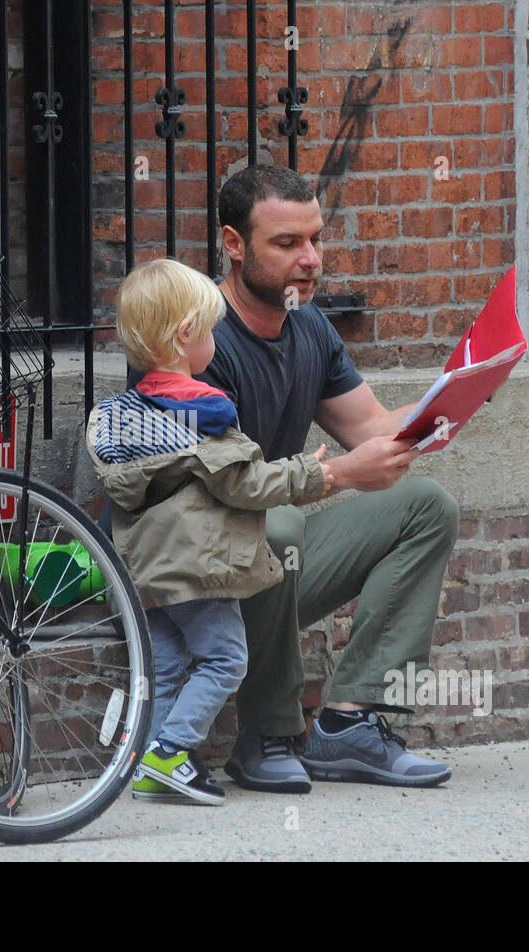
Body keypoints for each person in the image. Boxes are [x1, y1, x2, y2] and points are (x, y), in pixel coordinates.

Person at [197, 163, 460, 791]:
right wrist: (339, 476)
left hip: (270, 567)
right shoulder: (197, 335)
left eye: (315, 238)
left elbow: (371, 428)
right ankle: (264, 735)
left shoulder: (309, 326)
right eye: (287, 244)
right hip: (192, 573)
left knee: (426, 507)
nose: (310, 259)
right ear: (234, 245)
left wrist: (451, 400)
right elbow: (224, 488)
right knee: (279, 523)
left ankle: (347, 727)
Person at [87, 257, 334, 805]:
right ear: (185, 336)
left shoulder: (122, 413)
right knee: (226, 659)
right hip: (197, 567)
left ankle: (151, 767)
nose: (217, 342)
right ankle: (172, 751)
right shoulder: (206, 410)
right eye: (212, 329)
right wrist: (312, 473)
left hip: (140, 569)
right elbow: (241, 483)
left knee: (169, 663)